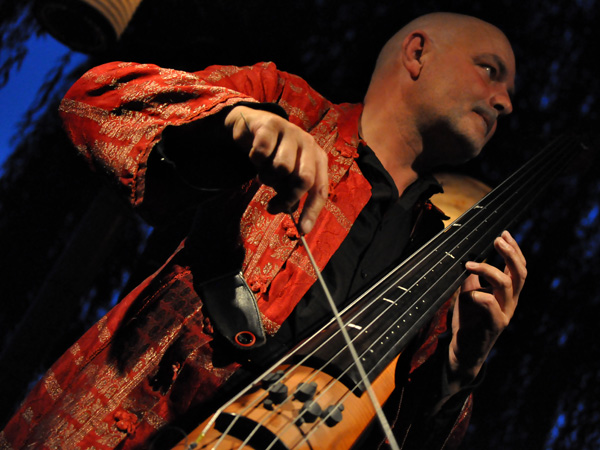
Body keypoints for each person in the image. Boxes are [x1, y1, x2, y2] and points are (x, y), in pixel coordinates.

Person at [0, 12, 526, 450]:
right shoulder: (288, 103)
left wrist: (460, 371)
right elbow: (95, 102)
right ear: (417, 54)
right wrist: (235, 122)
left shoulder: (442, 257)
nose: (504, 101)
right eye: (490, 70)